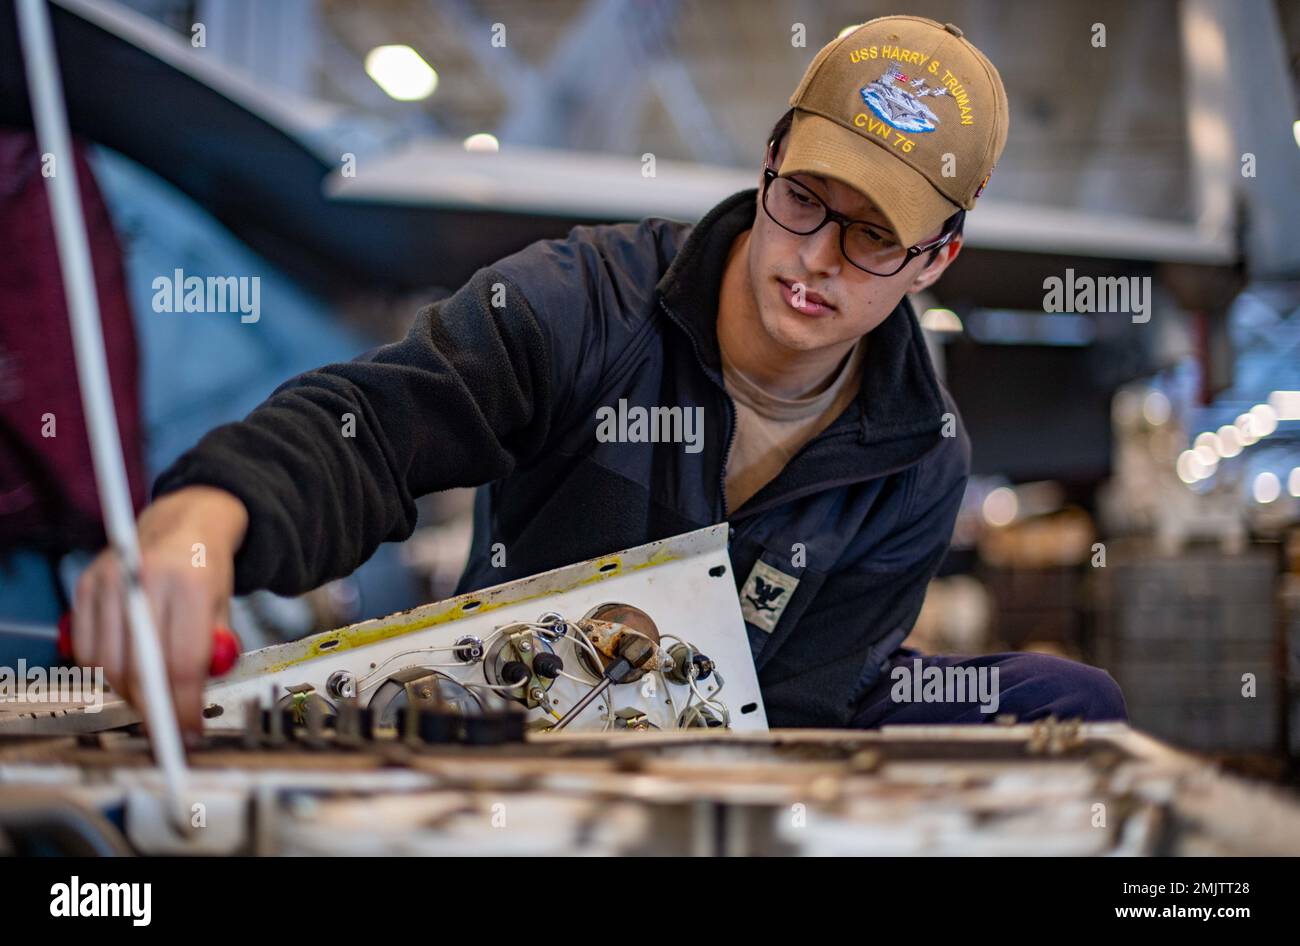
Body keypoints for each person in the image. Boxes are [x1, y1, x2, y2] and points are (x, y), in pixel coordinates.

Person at [73, 15, 1126, 733]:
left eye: (872, 238)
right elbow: (374, 428)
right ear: (768, 161)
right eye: (804, 197)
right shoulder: (583, 302)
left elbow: (804, 720)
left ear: (936, 258)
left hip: (751, 734)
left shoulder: (916, 462)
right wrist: (202, 524)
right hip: (510, 708)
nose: (813, 258)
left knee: (1066, 698)